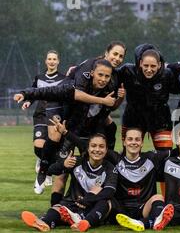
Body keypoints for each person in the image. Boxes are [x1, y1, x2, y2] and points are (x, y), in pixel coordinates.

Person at [14, 59, 124, 203]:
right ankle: (43, 171)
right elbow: (48, 91)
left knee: (81, 166)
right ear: (92, 73)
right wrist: (26, 94)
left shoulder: (110, 90)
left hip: (81, 129)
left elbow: (109, 111)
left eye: (106, 76)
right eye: (100, 75)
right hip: (64, 119)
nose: (103, 79)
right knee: (60, 159)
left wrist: (119, 98)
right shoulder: (73, 86)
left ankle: (84, 204)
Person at [52, 120, 175, 232]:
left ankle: (147, 222)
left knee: (158, 197)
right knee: (103, 195)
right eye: (130, 139)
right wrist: (65, 132)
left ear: (142, 143)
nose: (133, 142)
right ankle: (85, 222)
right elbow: (88, 145)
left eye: (137, 140)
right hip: (119, 210)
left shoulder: (151, 158)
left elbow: (176, 151)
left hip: (143, 209)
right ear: (124, 142)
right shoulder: (115, 158)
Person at [21, 133, 117, 232]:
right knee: (57, 209)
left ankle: (85, 223)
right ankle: (44, 223)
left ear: (106, 150)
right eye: (93, 146)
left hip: (92, 208)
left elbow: (109, 191)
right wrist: (63, 165)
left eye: (101, 147)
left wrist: (89, 199)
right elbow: (50, 170)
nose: (97, 150)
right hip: (72, 204)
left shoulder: (110, 168)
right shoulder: (76, 161)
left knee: (106, 203)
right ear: (88, 149)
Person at [20, 50, 66, 193]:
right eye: (49, 59)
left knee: (52, 145)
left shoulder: (64, 78)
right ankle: (42, 160)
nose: (52, 61)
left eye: (54, 59)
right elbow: (33, 92)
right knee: (38, 146)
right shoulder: (39, 77)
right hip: (40, 113)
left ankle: (46, 172)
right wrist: (28, 101)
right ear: (46, 61)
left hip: (55, 116)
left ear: (58, 61)